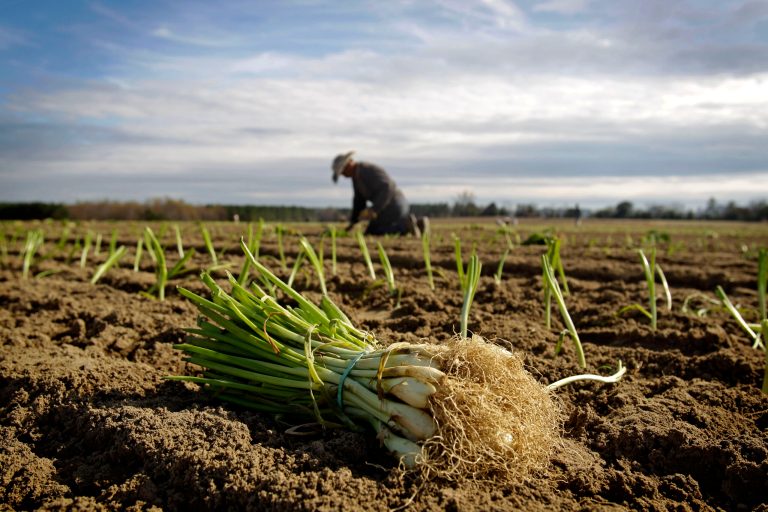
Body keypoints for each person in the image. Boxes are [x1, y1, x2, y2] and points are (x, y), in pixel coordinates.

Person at [331, 151, 420, 236]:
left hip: (395, 205)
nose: (343, 175)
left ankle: (405, 227)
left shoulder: (366, 170)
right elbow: (359, 202)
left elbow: (387, 187)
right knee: (371, 229)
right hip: (390, 207)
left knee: (374, 231)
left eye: (343, 171)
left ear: (349, 163)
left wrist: (374, 209)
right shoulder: (356, 178)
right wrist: (353, 222)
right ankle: (417, 225)